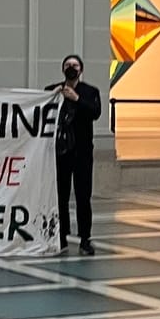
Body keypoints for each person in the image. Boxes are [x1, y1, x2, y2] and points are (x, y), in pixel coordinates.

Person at [50, 54, 102, 254]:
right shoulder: (53, 90)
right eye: (67, 65)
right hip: (61, 152)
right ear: (62, 69)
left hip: (82, 153)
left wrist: (76, 99)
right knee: (61, 196)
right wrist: (53, 96)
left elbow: (95, 112)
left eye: (75, 65)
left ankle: (85, 239)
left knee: (83, 196)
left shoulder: (90, 92)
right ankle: (61, 236)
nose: (71, 68)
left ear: (81, 69)